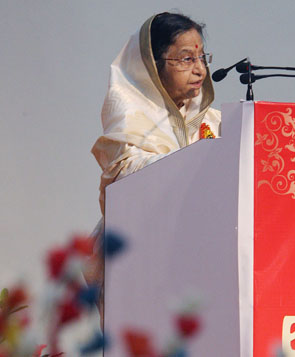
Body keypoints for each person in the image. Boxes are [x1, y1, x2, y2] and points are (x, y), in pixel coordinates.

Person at [85, 12, 221, 324]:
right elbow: (125, 175)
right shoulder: (129, 113)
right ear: (152, 64)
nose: (200, 69)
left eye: (202, 57)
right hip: (139, 256)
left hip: (200, 256)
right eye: (186, 59)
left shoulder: (211, 121)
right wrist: (200, 159)